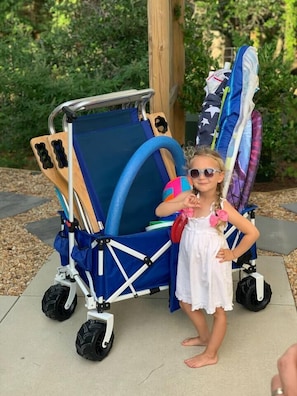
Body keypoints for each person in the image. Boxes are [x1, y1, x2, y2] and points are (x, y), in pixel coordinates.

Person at [155, 146, 260, 368]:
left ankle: (211, 353)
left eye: (208, 172)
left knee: (218, 309)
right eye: (196, 173)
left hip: (213, 260)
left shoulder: (221, 206)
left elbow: (252, 233)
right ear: (190, 177)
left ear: (220, 176)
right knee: (185, 300)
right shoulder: (189, 197)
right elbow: (160, 211)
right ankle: (203, 336)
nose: (202, 177)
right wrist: (180, 204)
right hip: (190, 259)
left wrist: (234, 254)